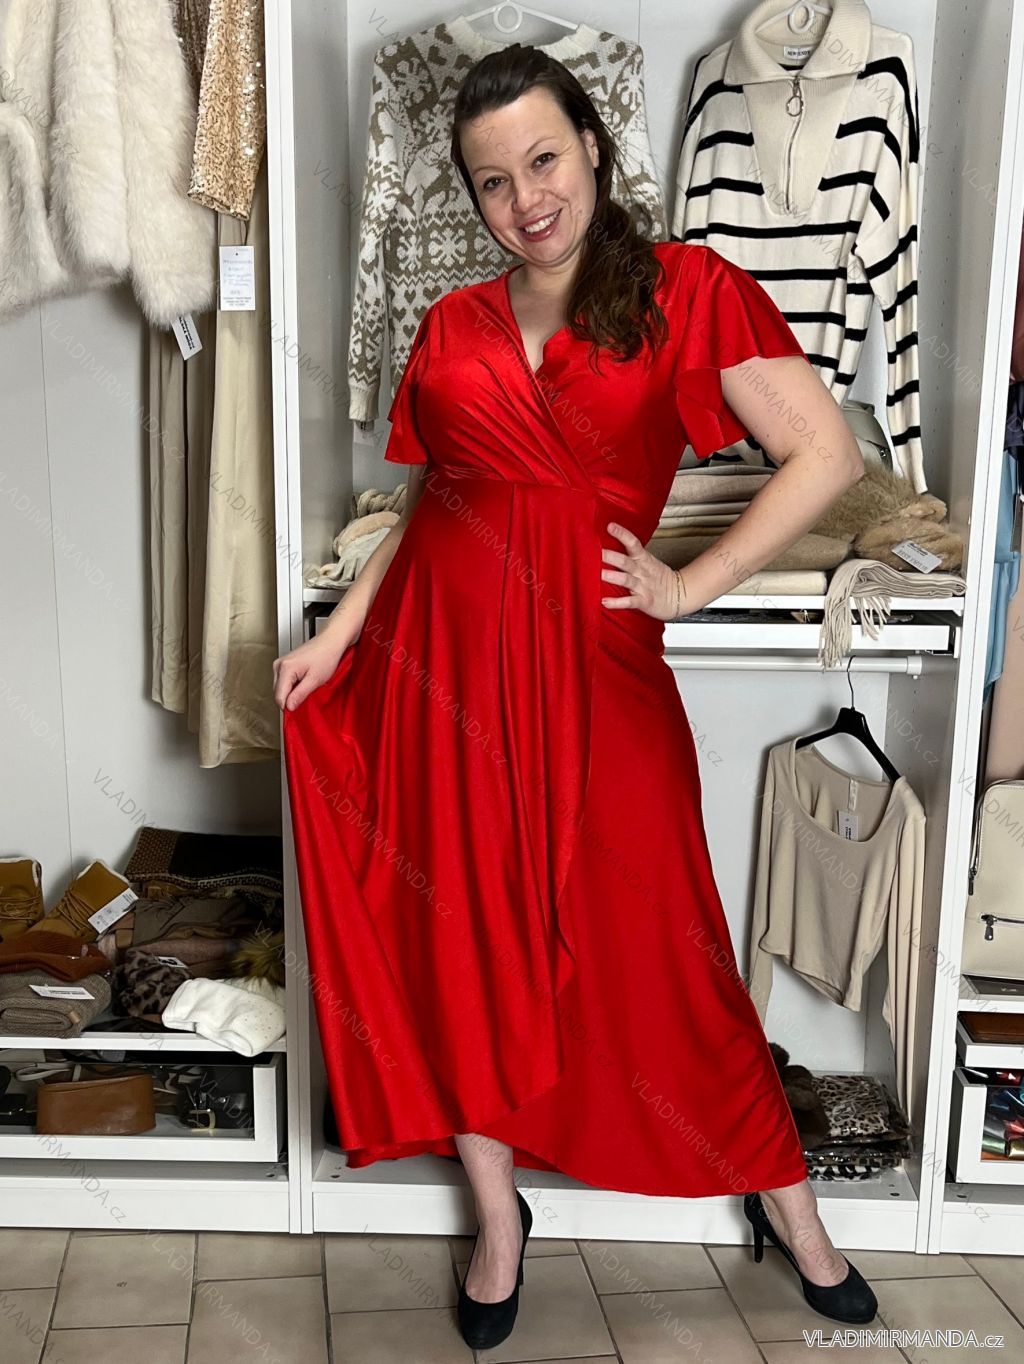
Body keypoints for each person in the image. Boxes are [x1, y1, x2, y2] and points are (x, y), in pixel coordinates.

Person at [274, 41, 878, 1350]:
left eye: (544, 160)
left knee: (667, 947)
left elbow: (824, 453)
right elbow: (434, 499)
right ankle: (500, 1221)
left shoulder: (686, 290)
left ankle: (791, 1211)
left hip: (596, 675)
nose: (526, 200)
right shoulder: (453, 323)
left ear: (594, 149)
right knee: (463, 949)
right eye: (493, 182)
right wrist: (344, 633)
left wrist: (690, 583)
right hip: (438, 674)